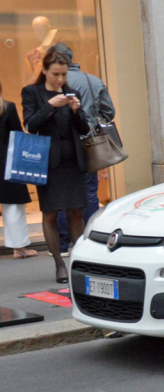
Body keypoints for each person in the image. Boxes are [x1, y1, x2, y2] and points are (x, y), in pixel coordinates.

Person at [22, 50, 90, 283]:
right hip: (49, 163)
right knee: (50, 213)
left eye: (63, 74)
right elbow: (30, 124)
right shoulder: (32, 92)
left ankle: (79, 263)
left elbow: (83, 129)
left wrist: (76, 111)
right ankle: (59, 265)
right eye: (55, 74)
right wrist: (50, 105)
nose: (60, 80)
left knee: (76, 212)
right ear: (44, 71)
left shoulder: (72, 92)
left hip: (74, 162)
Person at [49, 44, 114, 244]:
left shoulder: (50, 83)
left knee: (61, 193)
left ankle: (65, 239)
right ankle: (90, 239)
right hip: (88, 144)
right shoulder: (92, 80)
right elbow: (109, 113)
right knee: (89, 191)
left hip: (60, 145)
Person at [0, 78, 36, 258]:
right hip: (6, 162)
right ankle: (19, 248)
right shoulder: (7, 107)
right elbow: (17, 136)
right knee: (13, 207)